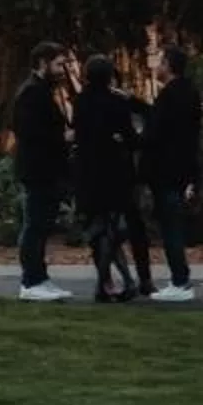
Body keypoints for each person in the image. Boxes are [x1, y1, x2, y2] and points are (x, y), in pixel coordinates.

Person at [71, 53, 147, 303]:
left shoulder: (80, 101)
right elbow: (132, 138)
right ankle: (117, 281)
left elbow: (79, 132)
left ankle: (106, 282)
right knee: (111, 229)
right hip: (114, 171)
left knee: (98, 230)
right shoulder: (116, 103)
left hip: (88, 171)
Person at [139, 43, 203, 302]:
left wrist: (136, 140)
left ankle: (180, 280)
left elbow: (156, 131)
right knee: (172, 224)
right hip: (181, 168)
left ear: (168, 65)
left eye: (160, 62)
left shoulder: (170, 96)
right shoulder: (189, 93)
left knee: (170, 227)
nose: (157, 67)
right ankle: (180, 278)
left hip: (166, 170)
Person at [10, 43, 73, 302]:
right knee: (34, 226)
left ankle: (40, 277)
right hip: (37, 169)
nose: (62, 70)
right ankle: (30, 281)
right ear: (42, 63)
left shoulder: (42, 91)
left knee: (42, 226)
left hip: (47, 169)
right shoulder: (31, 93)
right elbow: (29, 133)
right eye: (58, 64)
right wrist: (62, 137)